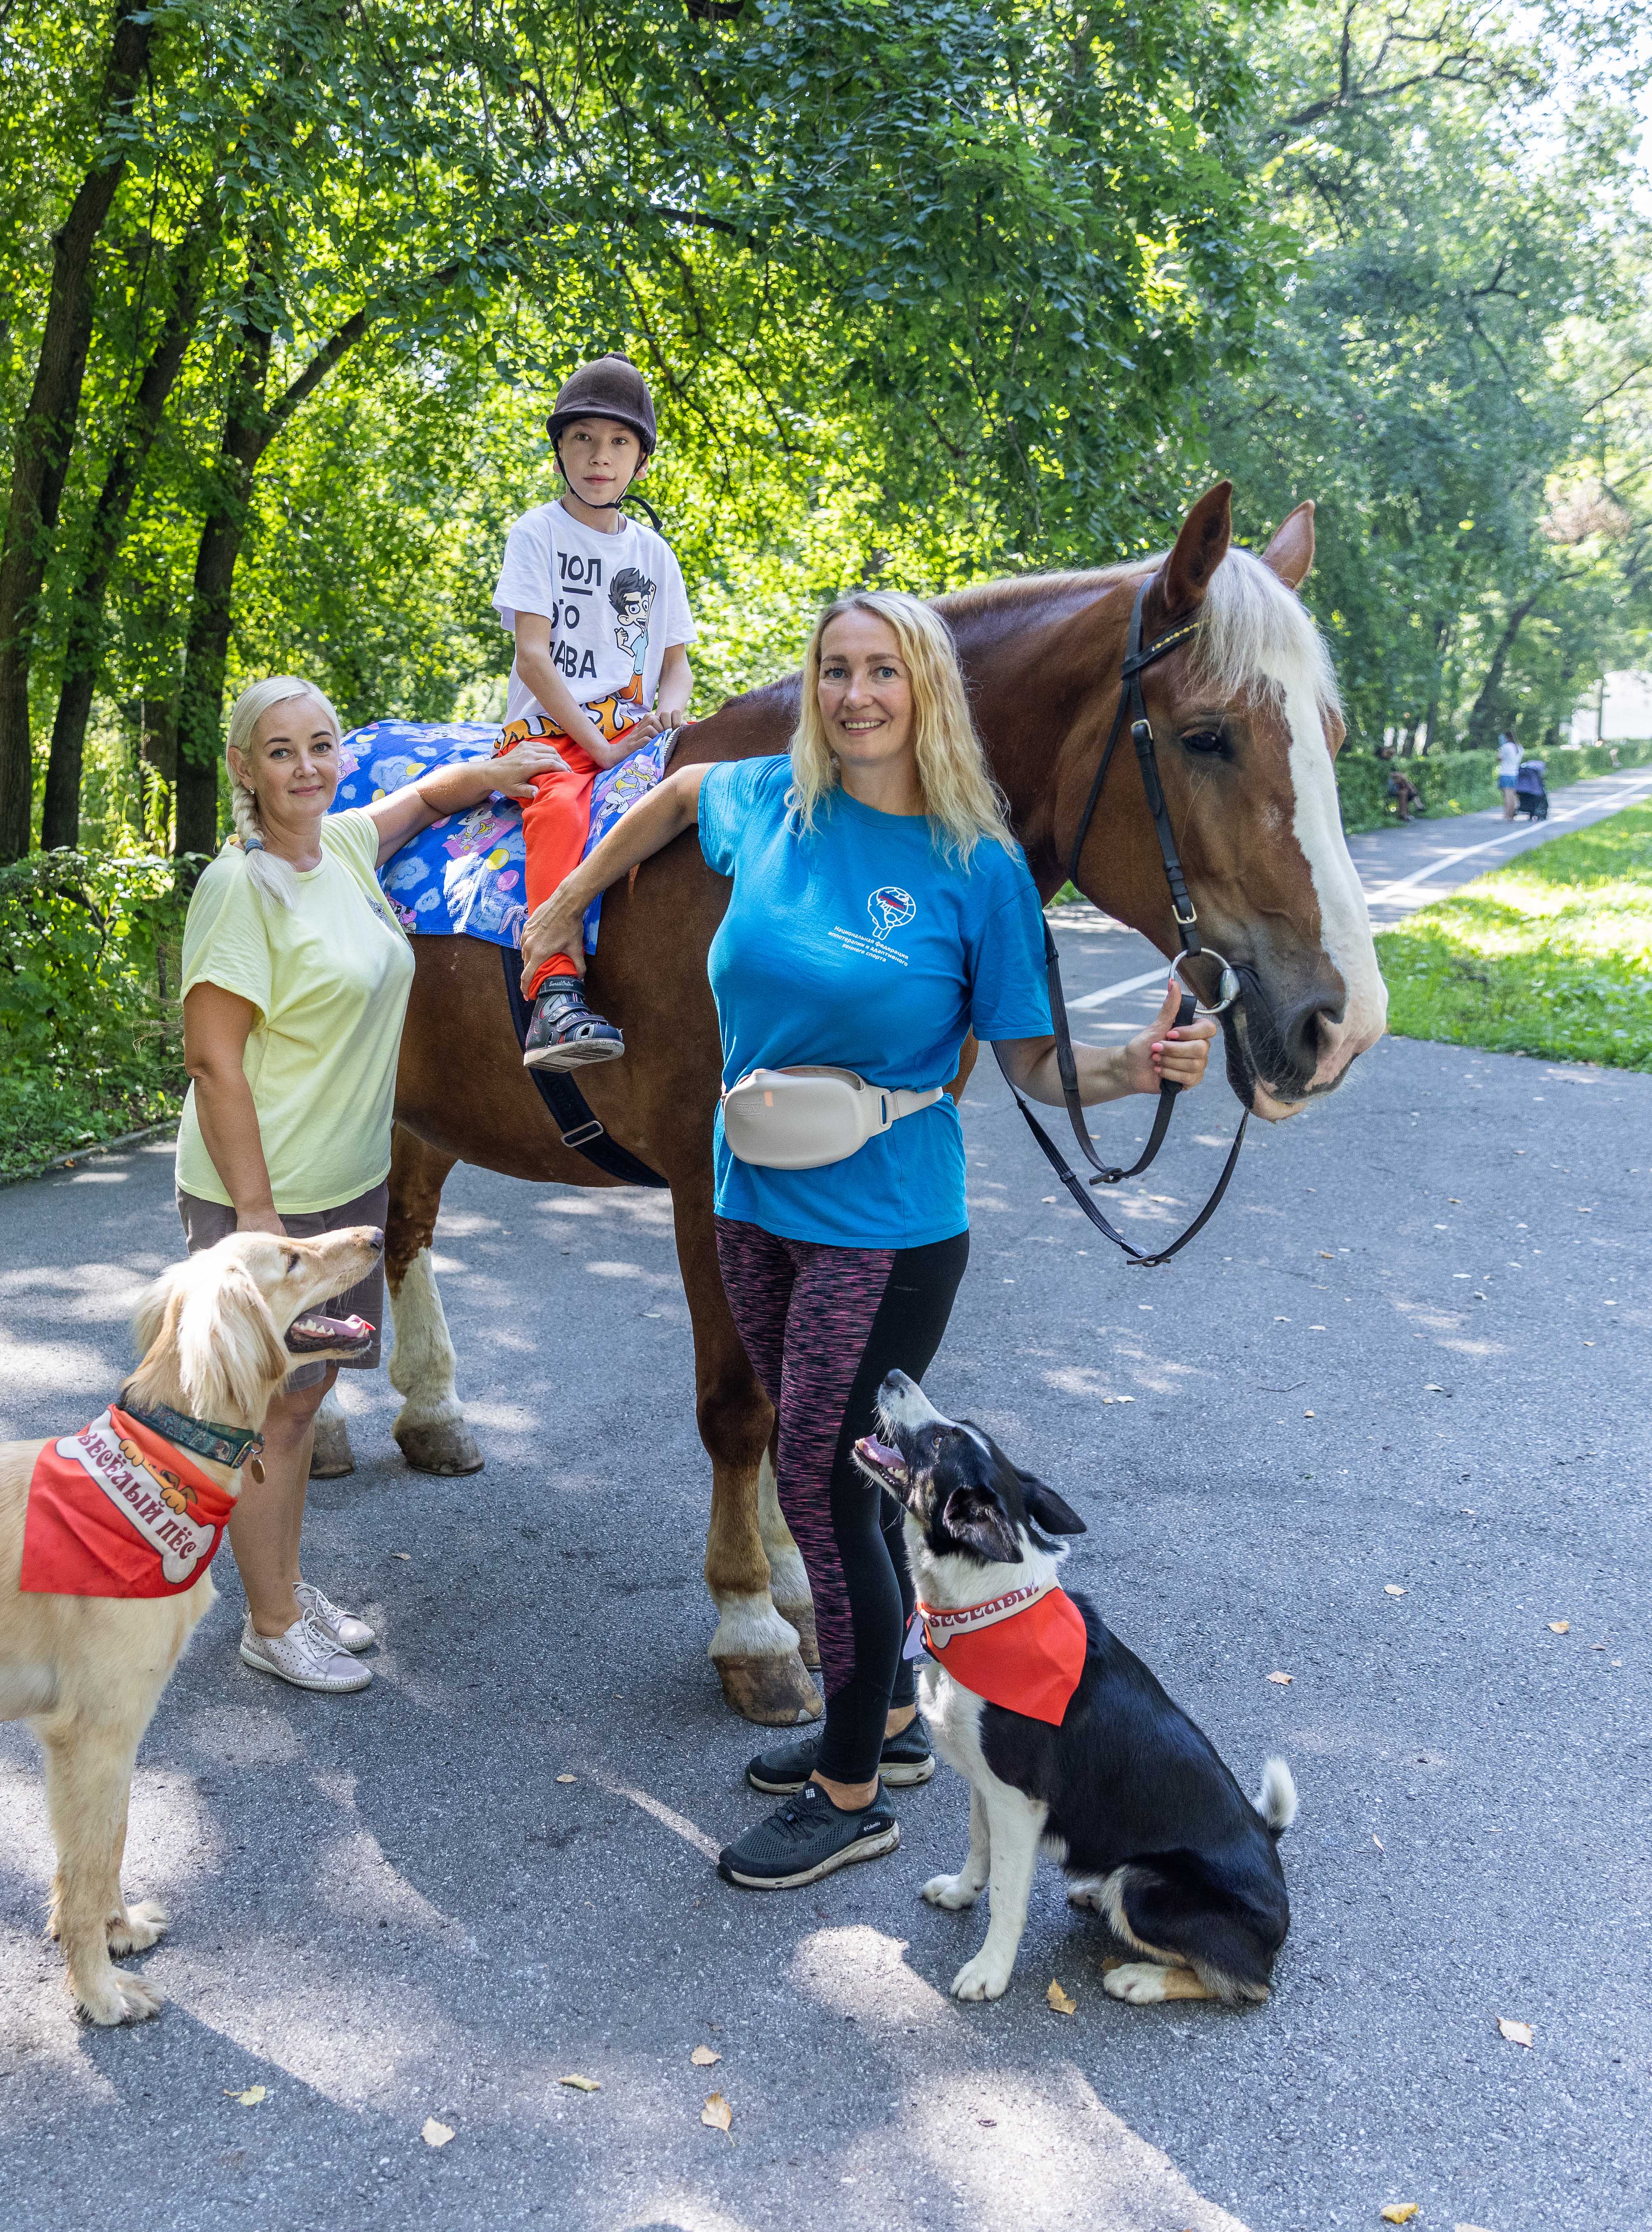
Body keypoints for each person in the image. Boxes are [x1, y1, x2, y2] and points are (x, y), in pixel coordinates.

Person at [519, 592, 1216, 1888]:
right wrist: (567, 900)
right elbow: (671, 801)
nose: (852, 696)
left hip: (887, 1223)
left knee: (827, 1498)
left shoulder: (978, 867)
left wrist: (1135, 1066)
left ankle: (853, 1791)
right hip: (751, 1199)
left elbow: (1029, 1063)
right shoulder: (772, 807)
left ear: (926, 691)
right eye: (833, 671)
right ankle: (886, 1719)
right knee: (822, 1474)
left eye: (880, 673)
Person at [181, 676, 565, 1694]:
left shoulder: (343, 848)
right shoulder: (239, 886)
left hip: (347, 1187)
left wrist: (496, 770)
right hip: (267, 1195)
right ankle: (269, 1621)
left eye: (321, 745)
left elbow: (427, 802)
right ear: (243, 768)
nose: (304, 766)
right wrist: (258, 1228)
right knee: (273, 1407)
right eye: (279, 750)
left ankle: (284, 1584)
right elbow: (215, 1063)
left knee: (304, 1402)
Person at [496, 355, 696, 1073]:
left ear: (640, 461)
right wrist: (597, 748)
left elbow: (675, 661)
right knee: (556, 810)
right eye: (582, 437)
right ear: (560, 449)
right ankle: (551, 988)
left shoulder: (653, 554)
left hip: (637, 730)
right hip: (556, 728)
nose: (598, 456)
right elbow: (532, 657)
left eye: (617, 442)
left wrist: (671, 704)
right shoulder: (537, 536)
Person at [1493, 730, 1524, 821]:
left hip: (1506, 773)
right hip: (1515, 773)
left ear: (1506, 737)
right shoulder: (1519, 747)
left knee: (1507, 795)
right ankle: (1512, 813)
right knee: (1513, 794)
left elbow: (1499, 758)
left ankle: (1507, 814)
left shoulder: (1506, 747)